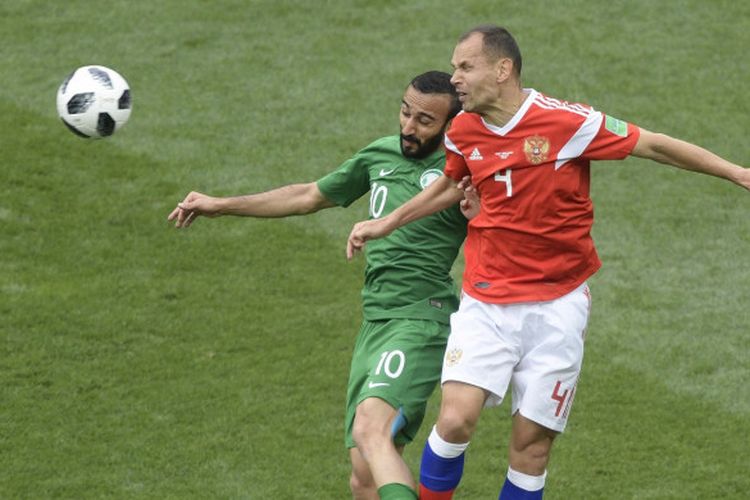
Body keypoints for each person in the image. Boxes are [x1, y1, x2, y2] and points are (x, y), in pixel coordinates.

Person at [346, 25, 750, 499]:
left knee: (531, 448)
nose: (455, 77)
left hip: (557, 305)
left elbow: (653, 144)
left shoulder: (568, 123)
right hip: (487, 299)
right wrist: (388, 222)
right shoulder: (462, 129)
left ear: (503, 69)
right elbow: (455, 183)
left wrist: (737, 172)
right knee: (454, 419)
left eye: (464, 66)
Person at [168, 71, 474, 500]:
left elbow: (498, 230)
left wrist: (477, 210)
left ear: (450, 126)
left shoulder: (461, 173)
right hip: (375, 322)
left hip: (421, 319)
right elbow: (308, 196)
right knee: (363, 475)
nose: (408, 126)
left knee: (371, 428)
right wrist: (222, 205)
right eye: (405, 112)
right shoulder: (380, 155)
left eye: (425, 120)